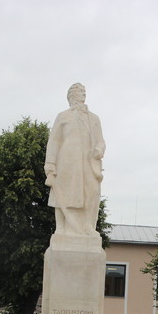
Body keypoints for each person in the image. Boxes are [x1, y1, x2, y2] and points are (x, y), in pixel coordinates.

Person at [44, 82, 105, 238]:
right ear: (72, 95)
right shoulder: (63, 116)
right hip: (67, 161)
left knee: (91, 193)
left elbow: (101, 141)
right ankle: (61, 228)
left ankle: (88, 227)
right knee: (63, 192)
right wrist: (50, 165)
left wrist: (99, 149)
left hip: (88, 163)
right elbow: (54, 142)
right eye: (80, 91)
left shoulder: (94, 118)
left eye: (84, 91)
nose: (84, 93)